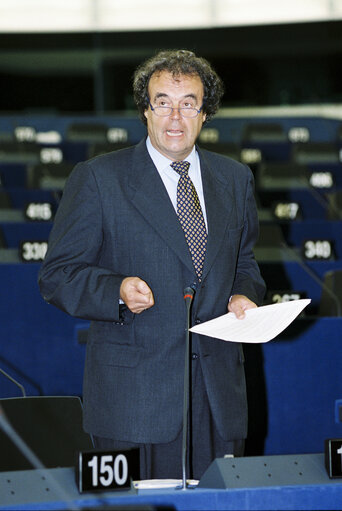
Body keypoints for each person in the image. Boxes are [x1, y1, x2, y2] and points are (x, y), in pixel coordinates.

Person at [38, 49, 266, 481]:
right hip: (134, 402)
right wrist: (116, 291)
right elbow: (57, 275)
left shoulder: (235, 179)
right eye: (162, 102)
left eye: (188, 104)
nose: (175, 116)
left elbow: (246, 262)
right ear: (145, 110)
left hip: (219, 400)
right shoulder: (99, 178)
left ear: (205, 113)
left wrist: (244, 294)